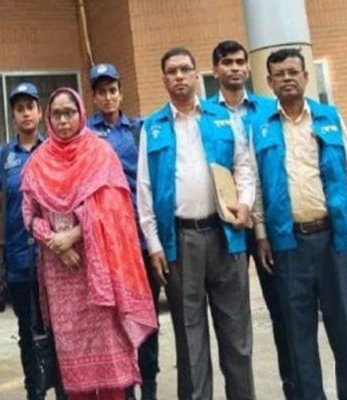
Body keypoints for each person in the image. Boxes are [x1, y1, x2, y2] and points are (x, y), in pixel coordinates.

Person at [21, 87, 157, 400]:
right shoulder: (39, 161)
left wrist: (74, 235)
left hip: (98, 270)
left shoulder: (100, 154)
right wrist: (53, 241)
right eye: (57, 114)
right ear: (48, 118)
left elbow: (114, 209)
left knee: (109, 359)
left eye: (69, 113)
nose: (63, 120)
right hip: (60, 274)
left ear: (81, 114)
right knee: (72, 360)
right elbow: (29, 214)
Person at [137, 47, 256, 400]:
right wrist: (154, 244)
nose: (179, 76)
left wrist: (245, 204)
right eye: (171, 71)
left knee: (237, 338)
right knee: (191, 344)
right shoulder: (152, 127)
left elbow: (243, 166)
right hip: (180, 241)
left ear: (195, 74)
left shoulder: (222, 117)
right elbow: (144, 189)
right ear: (164, 79)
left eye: (185, 69)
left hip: (226, 236)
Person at [252, 48, 347, 400]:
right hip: (288, 244)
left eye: (293, 72)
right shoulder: (260, 127)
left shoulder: (329, 117)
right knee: (299, 336)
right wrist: (261, 234)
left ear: (306, 76)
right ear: (269, 82)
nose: (287, 79)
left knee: (346, 329)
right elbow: (256, 187)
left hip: (334, 240)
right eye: (280, 74)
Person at [206, 40, 293, 399]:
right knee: (234, 321)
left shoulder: (268, 110)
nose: (235, 68)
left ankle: (293, 388)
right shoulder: (203, 114)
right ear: (215, 70)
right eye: (227, 62)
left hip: (272, 226)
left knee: (285, 313)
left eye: (240, 62)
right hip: (227, 230)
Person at [0, 83, 69, 400]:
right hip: (19, 259)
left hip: (55, 257)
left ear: (40, 111)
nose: (25, 114)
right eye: (19, 109)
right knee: (27, 331)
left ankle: (64, 391)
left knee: (59, 330)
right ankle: (34, 391)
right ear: (13, 115)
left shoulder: (54, 149)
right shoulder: (3, 155)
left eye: (30, 107)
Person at [86, 63, 159, 400]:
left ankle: (150, 386)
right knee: (118, 322)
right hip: (108, 244)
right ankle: (126, 390)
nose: (108, 97)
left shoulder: (138, 130)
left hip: (140, 240)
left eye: (112, 90)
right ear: (94, 97)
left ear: (121, 93)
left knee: (147, 318)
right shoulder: (86, 134)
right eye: (101, 92)